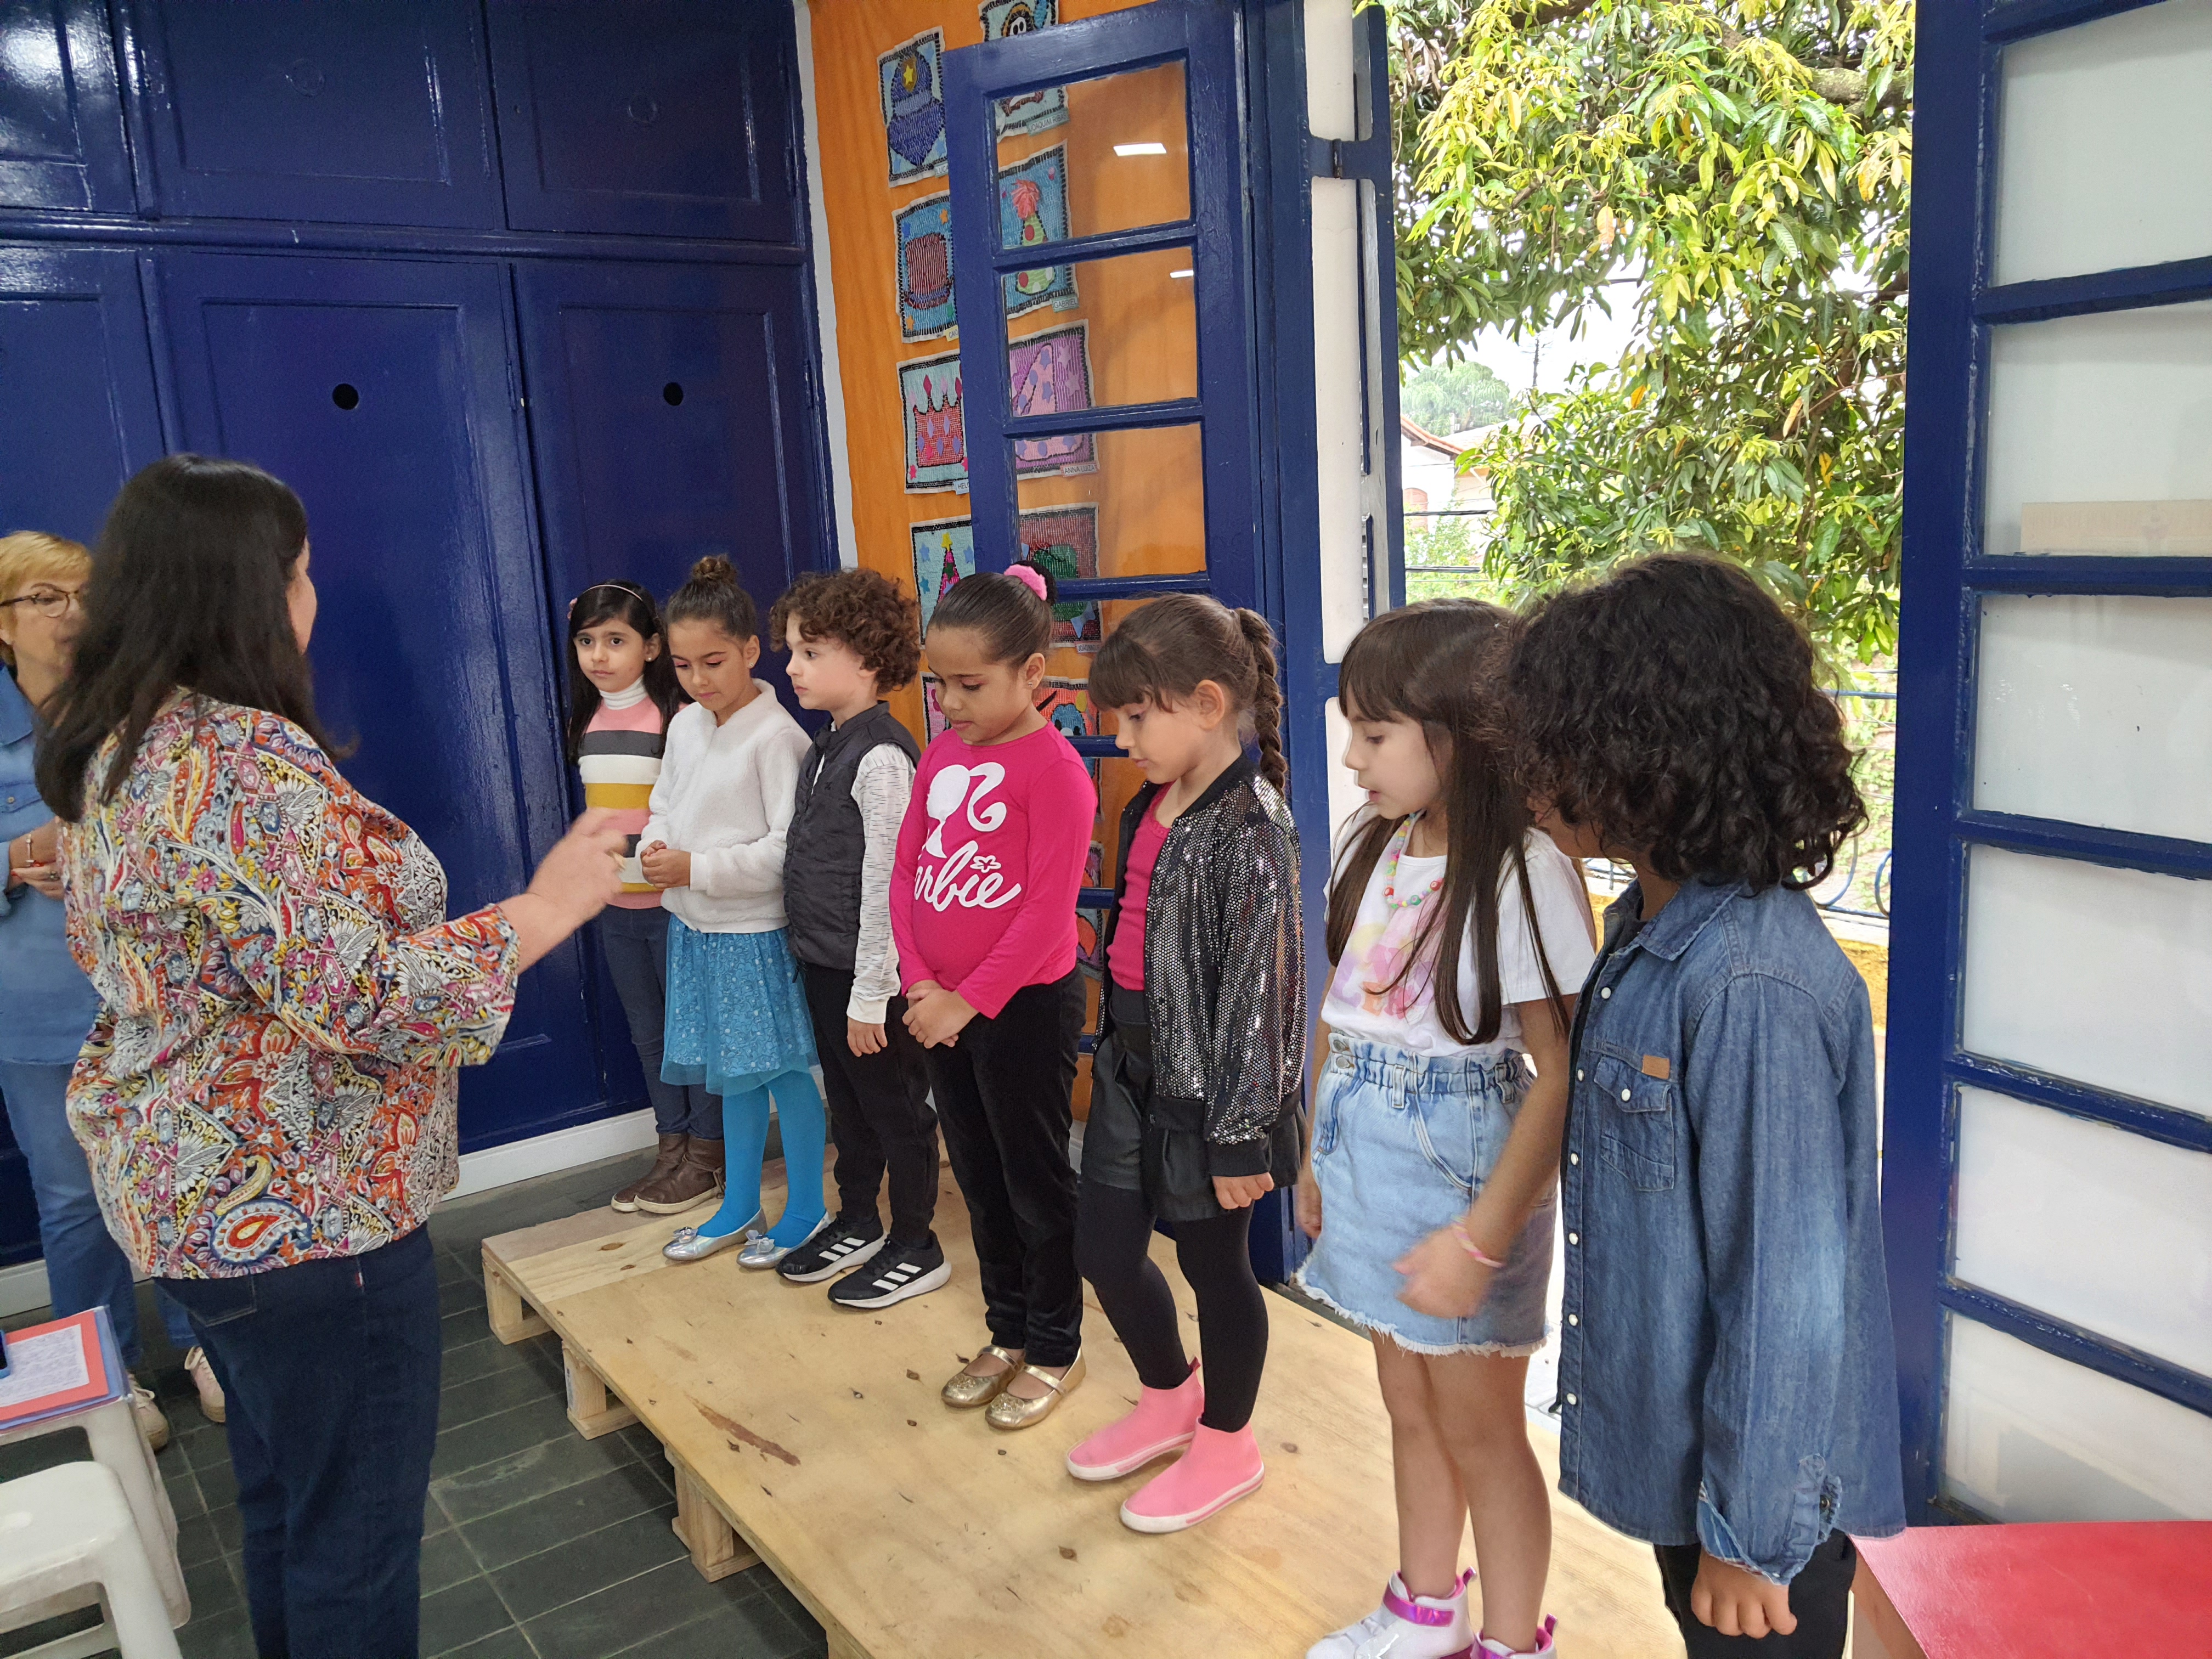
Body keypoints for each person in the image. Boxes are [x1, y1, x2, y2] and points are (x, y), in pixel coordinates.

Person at [38, 455, 624, 1659]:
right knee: (354, 1542)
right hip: (309, 1223)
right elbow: (362, 994)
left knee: (290, 1510)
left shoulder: (122, 745)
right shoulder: (244, 767)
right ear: (249, 593)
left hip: (192, 1206)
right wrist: (545, 907)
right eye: (300, 574)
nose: (315, 597)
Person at [1509, 554, 1903, 1659]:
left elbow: (1781, 1289)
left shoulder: (1749, 983)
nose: (1530, 776)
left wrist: (1748, 1536)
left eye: (1557, 748)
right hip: (1697, 1468)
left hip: (1761, 1505)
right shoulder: (1649, 932)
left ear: (1651, 757)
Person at [1297, 601, 1594, 1659]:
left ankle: (1512, 1641)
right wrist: (1313, 1155)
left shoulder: (1524, 871)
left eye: (1375, 733)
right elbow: (1342, 1014)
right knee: (1407, 1400)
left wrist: (1480, 1237)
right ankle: (1426, 1607)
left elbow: (1560, 1071)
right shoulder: (1369, 842)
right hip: (1361, 1145)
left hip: (1465, 1172)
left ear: (1461, 736)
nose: (1352, 756)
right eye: (1353, 729)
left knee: (1480, 1427)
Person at [1065, 595, 1305, 1532]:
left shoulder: (1254, 827)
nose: (1123, 740)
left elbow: (1260, 995)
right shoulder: (1151, 803)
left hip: (1214, 1103)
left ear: (1207, 704)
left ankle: (1228, 1439)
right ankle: (1168, 1395)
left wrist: (1240, 1135)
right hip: (1131, 1074)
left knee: (1216, 1267)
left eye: (1137, 716)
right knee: (1103, 1251)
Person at [0, 531, 213, 1444]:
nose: (73, 614)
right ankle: (108, 1375)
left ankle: (208, 1343)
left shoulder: (139, 712)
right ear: (3, 623)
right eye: (46, 597)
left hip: (147, 997)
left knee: (181, 1172)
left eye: (86, 594)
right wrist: (15, 856)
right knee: (73, 1202)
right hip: (37, 1014)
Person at [891, 561, 1094, 1431]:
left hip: (1020, 1013)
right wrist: (919, 981)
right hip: (939, 1007)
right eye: (938, 684)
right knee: (976, 1176)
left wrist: (964, 1002)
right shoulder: (942, 752)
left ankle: (1055, 1346)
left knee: (1034, 1183)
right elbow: (907, 870)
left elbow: (1046, 915)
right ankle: (1006, 1331)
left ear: (1031, 674)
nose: (949, 703)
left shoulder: (1057, 774)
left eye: (970, 685)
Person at [768, 569, 946, 1308]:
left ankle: (917, 1241)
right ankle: (860, 1218)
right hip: (825, 966)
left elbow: (887, 887)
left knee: (895, 1109)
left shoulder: (881, 757)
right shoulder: (826, 747)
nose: (793, 667)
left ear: (868, 660)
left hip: (871, 981)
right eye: (792, 651)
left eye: (811, 653)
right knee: (850, 1106)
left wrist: (872, 995)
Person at [644, 556, 826, 1270]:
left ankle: (807, 1206)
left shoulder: (778, 738)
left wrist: (697, 868)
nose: (698, 679)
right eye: (683, 664)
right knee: (733, 1073)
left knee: (781, 1074)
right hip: (696, 930)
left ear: (751, 650)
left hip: (752, 935)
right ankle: (741, 1203)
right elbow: (664, 805)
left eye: (713, 662)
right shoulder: (686, 726)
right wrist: (657, 847)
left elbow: (788, 851)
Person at [565, 580, 716, 1214]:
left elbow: (694, 810)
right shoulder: (585, 722)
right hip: (616, 914)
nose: (599, 655)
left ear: (652, 647)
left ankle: (706, 1157)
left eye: (616, 640)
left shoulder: (674, 720)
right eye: (587, 641)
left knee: (692, 1036)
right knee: (649, 1038)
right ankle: (670, 1151)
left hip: (674, 912)